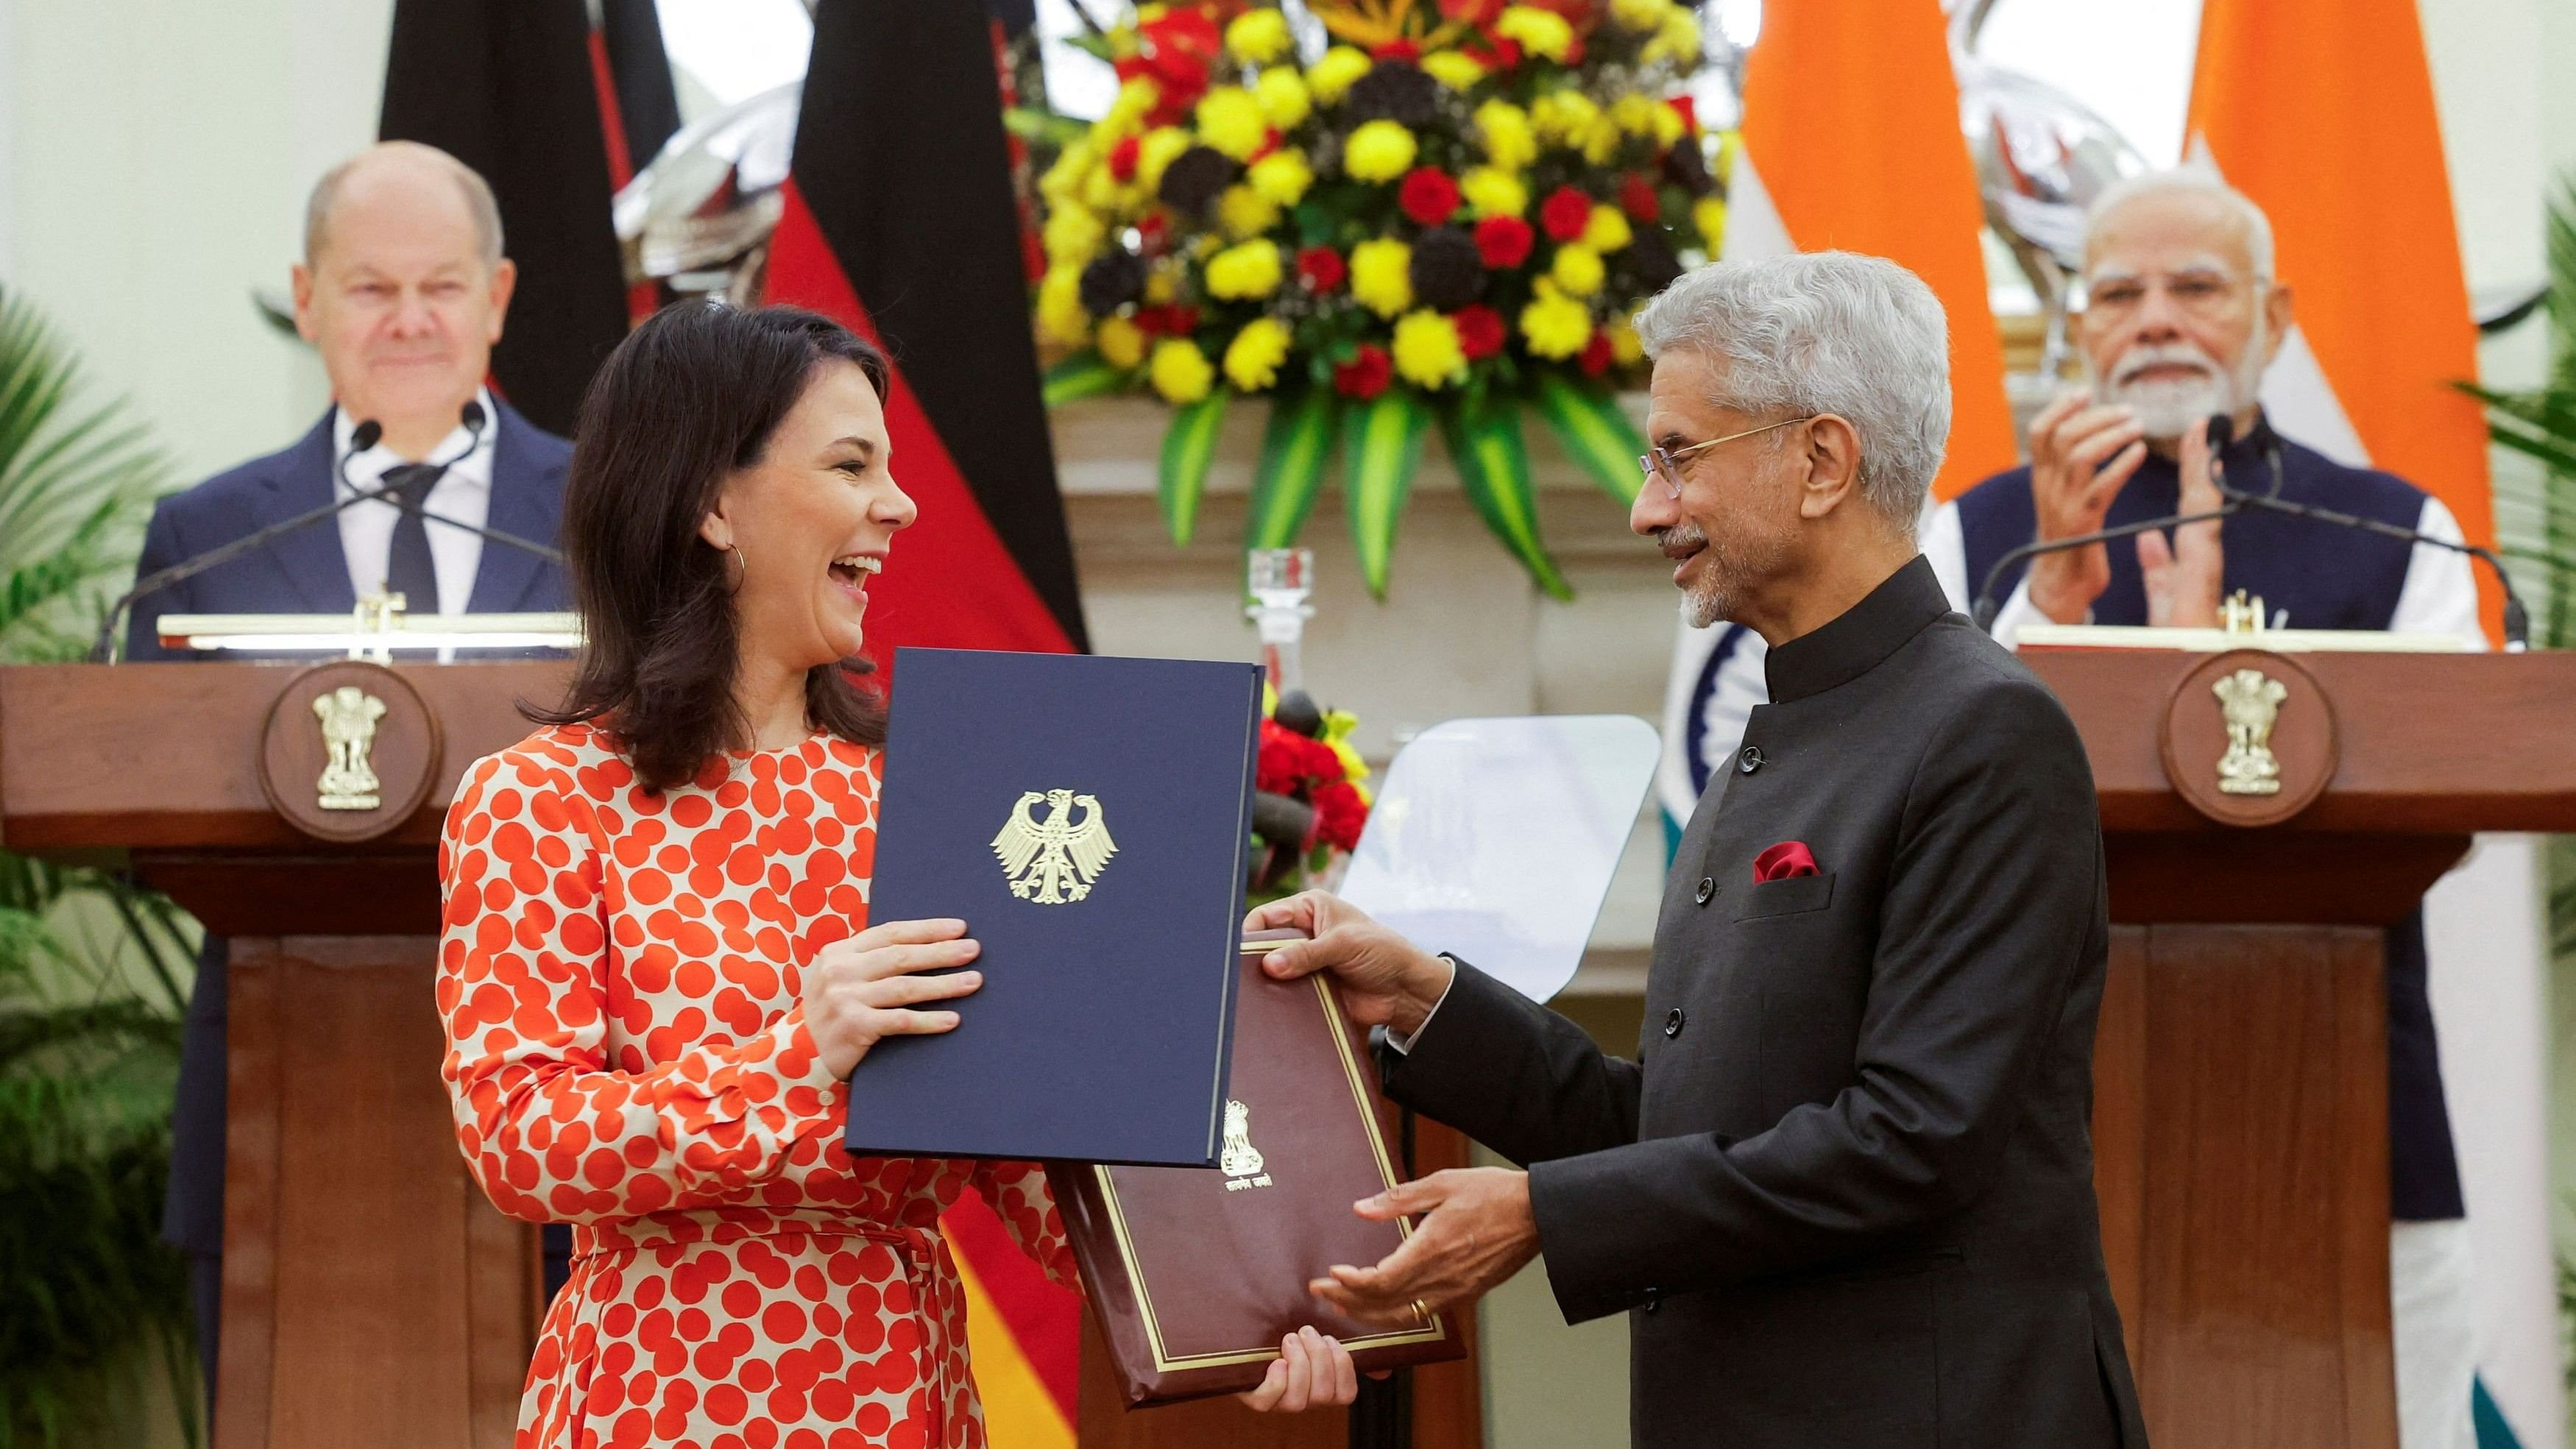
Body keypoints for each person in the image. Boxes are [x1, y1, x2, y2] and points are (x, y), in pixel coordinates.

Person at [1253, 253, 2145, 1447]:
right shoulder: (1775, 735)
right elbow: (1688, 1127)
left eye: (1678, 455)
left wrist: (1544, 1212)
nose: (1647, 507)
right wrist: (1427, 996)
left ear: (1821, 462)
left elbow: (1913, 1140)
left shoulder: (1987, 730)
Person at [436, 301, 1356, 1447]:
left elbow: (1028, 1158)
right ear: (713, 503)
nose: (900, 503)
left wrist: (1249, 1307)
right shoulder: (540, 799)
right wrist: (798, 1052)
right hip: (660, 1391)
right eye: (850, 462)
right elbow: (520, 1137)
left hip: (902, 1389)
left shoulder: (928, 795)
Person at [1931, 167, 2481, 1449]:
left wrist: (2198, 687)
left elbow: (2461, 771)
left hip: (2352, 1102)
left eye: (2197, 288)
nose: (2157, 320)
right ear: (2079, 322)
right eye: (2120, 291)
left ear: (2275, 318)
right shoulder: (1983, 536)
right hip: (2040, 1115)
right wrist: (2060, 615)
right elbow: (1920, 789)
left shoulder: (2402, 536)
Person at [123, 140, 576, 1400]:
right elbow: (130, 791)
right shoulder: (205, 536)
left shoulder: (621, 514)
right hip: (277, 1116)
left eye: (442, 283)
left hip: (568, 1120)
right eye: (371, 287)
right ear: (306, 297)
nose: (411, 319)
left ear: (498, 296)